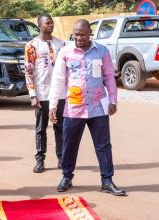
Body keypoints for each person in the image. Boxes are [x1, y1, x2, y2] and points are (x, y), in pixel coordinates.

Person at [48, 19, 126, 196]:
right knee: (70, 144)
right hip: (74, 108)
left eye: (82, 34)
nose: (79, 38)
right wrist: (53, 105)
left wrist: (113, 101)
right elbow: (58, 80)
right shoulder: (65, 52)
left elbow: (109, 78)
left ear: (90, 33)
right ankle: (67, 177)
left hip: (98, 107)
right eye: (76, 34)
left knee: (103, 145)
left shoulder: (102, 51)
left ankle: (107, 181)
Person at [24, 14, 65, 173]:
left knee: (60, 127)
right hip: (41, 92)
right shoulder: (32, 46)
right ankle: (40, 160)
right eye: (47, 23)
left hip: (59, 94)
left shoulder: (61, 44)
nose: (51, 25)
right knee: (41, 128)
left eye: (52, 23)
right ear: (40, 26)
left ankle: (61, 158)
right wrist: (33, 94)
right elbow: (28, 71)